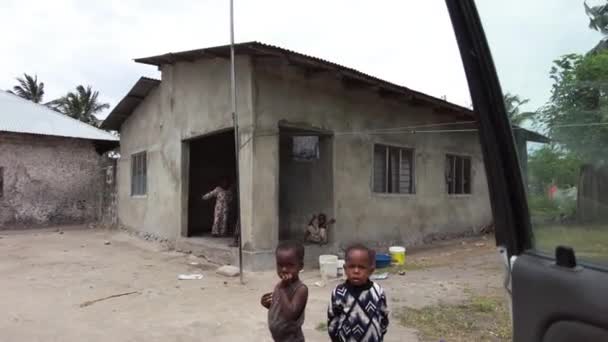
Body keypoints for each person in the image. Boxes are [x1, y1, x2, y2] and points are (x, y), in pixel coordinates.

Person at [328, 244, 389, 342]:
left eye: (362, 267)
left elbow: (384, 317)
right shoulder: (339, 292)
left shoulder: (377, 291)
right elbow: (332, 320)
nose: (356, 271)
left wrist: (378, 335)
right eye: (352, 267)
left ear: (371, 270)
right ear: (345, 268)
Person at [261, 241, 309, 342]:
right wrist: (269, 304)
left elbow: (291, 315)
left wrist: (282, 289)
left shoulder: (301, 289)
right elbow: (281, 307)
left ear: (300, 266)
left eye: (290, 265)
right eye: (280, 265)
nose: (284, 269)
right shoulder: (280, 285)